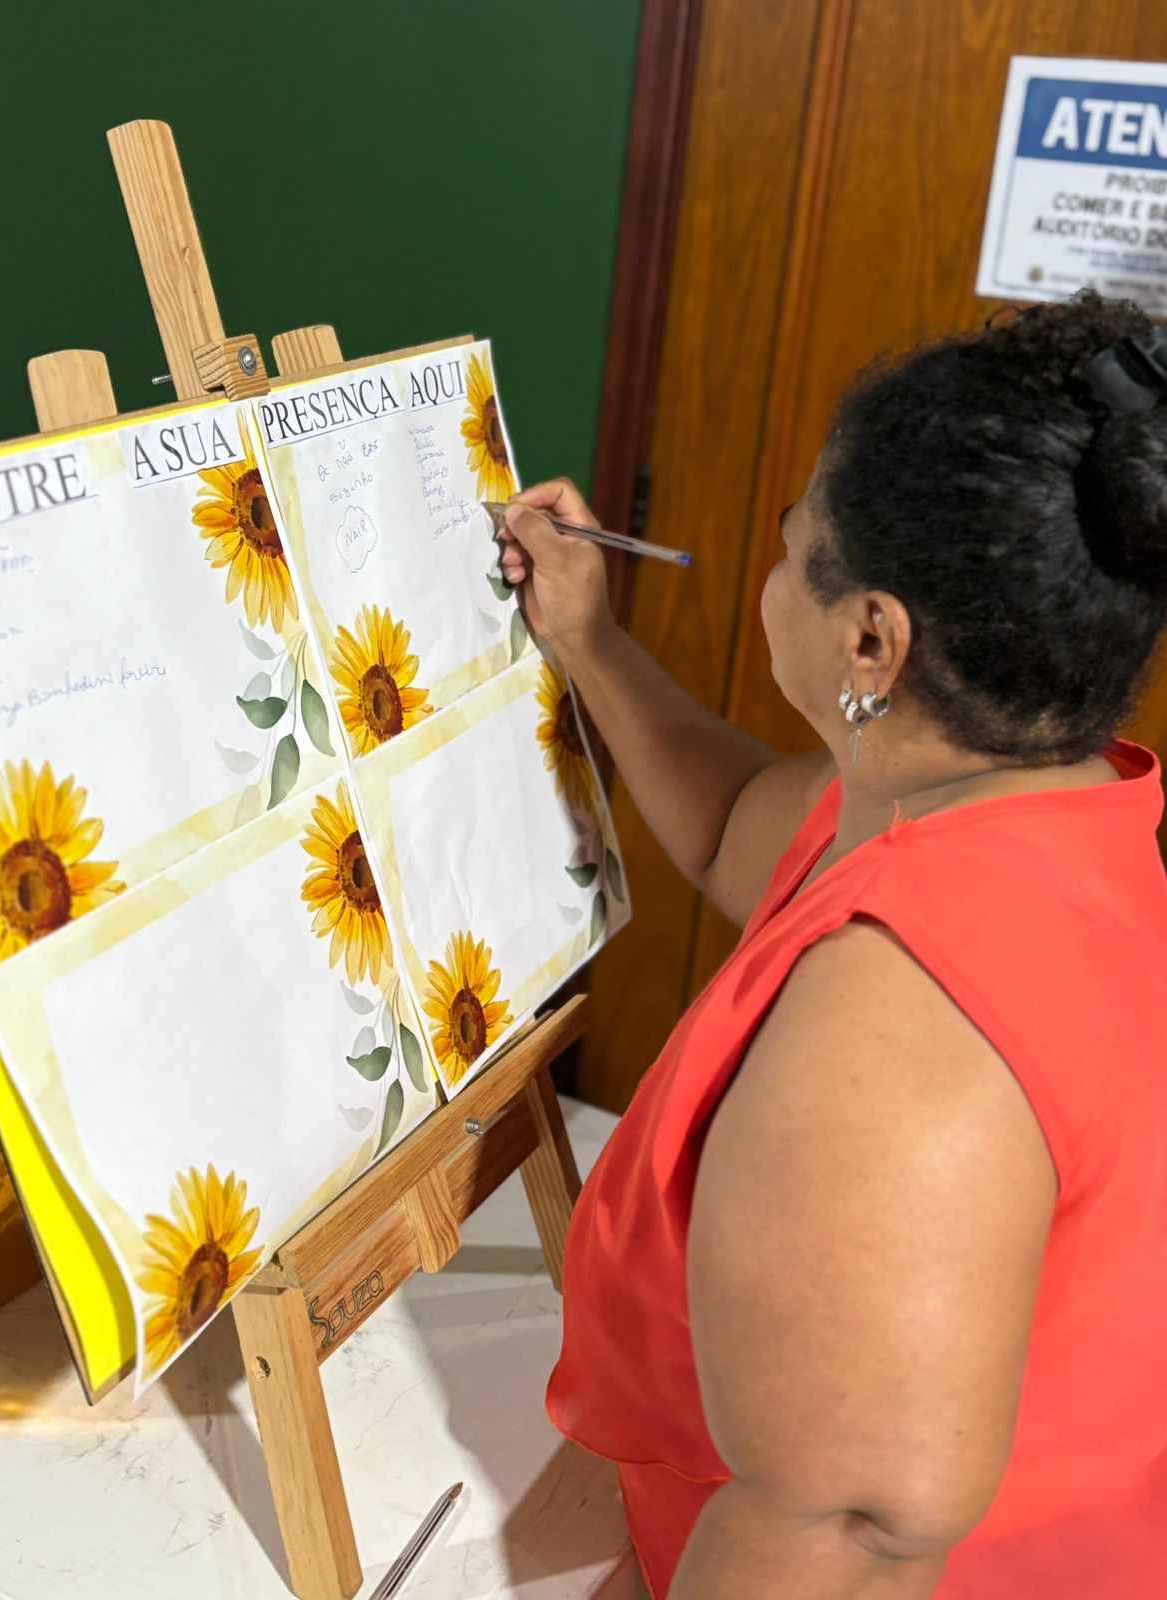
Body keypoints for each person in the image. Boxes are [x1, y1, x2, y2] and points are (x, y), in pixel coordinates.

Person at [497, 290, 1167, 1600]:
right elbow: (736, 827)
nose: (775, 562)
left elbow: (845, 1532)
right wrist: (589, 640)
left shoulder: (910, 1018)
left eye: (792, 540)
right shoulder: (1035, 800)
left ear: (870, 635)